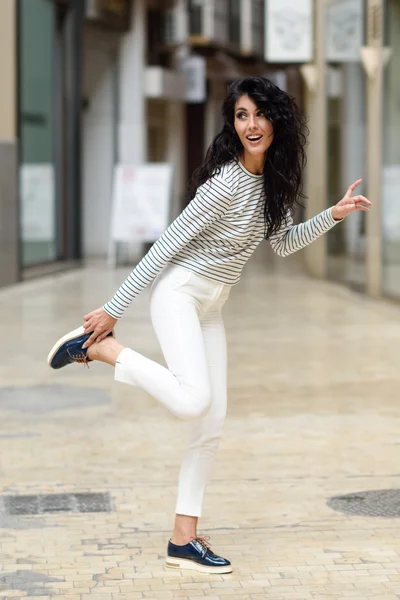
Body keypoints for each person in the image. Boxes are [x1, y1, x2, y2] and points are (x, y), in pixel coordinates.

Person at [47, 77, 371, 574]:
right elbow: (165, 246)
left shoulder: (275, 181)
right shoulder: (224, 183)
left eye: (259, 114)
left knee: (210, 425)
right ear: (233, 124)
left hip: (211, 307)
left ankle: (183, 539)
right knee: (193, 401)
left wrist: (334, 214)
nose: (251, 124)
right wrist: (113, 309)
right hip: (179, 296)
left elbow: (283, 244)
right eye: (241, 116)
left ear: (275, 120)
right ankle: (102, 350)